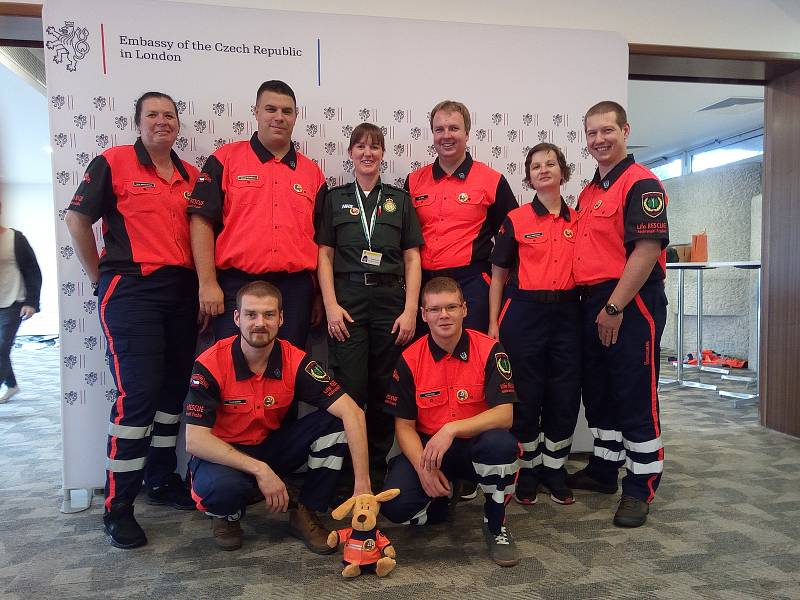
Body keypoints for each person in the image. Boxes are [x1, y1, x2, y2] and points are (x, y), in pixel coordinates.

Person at [65, 91, 199, 548]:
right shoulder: (113, 161)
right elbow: (77, 219)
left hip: (182, 292)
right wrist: (97, 277)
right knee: (137, 397)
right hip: (132, 289)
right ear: (138, 122)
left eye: (170, 115)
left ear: (179, 124)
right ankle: (118, 507)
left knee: (171, 394)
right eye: (153, 115)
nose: (162, 122)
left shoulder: (190, 176)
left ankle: (161, 481)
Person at [183, 281, 371, 552]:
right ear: (236, 318)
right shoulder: (210, 363)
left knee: (338, 421)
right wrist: (261, 470)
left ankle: (305, 510)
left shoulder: (296, 360)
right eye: (251, 315)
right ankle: (227, 515)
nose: (260, 323)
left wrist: (362, 486)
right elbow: (196, 440)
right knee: (222, 491)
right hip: (223, 455)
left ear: (281, 318)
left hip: (269, 447)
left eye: (269, 315)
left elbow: (352, 412)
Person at [567, 101, 669, 528]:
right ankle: (605, 468)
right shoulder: (592, 190)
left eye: (607, 131)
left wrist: (614, 306)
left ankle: (640, 486)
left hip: (629, 300)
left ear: (625, 130)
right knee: (601, 392)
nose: (599, 140)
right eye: (591, 133)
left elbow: (646, 251)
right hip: (593, 301)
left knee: (633, 394)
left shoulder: (640, 182)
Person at [380, 277, 521, 567]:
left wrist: (452, 428)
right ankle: (442, 501)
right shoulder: (409, 359)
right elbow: (404, 426)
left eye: (451, 307)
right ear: (423, 315)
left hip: (475, 447)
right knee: (395, 507)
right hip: (431, 450)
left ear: (464, 310)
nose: (443, 315)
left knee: (502, 445)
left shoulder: (491, 350)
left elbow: (505, 415)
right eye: (435, 309)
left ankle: (496, 525)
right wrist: (423, 469)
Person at [316, 123, 422, 479]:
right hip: (347, 301)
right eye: (360, 146)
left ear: (382, 154)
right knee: (349, 389)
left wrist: (410, 311)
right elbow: (325, 256)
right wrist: (330, 305)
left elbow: (412, 259)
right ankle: (346, 472)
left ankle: (375, 471)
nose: (367, 153)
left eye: (374, 147)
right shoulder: (334, 198)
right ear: (350, 153)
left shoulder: (400, 200)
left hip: (390, 302)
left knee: (383, 387)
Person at [188, 80, 327, 348]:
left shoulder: (313, 173)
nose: (279, 117)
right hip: (235, 285)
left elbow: (322, 241)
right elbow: (200, 220)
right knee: (232, 369)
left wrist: (319, 295)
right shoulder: (225, 159)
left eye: (287, 111)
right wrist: (206, 283)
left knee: (288, 370)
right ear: (256, 112)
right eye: (270, 109)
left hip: (295, 290)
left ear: (296, 116)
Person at [488, 143, 581, 506]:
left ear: (563, 172)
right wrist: (494, 322)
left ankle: (555, 468)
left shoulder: (579, 220)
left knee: (564, 392)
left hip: (568, 314)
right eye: (536, 166)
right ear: (528, 176)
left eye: (551, 164)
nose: (543, 170)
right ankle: (526, 470)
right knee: (525, 392)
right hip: (524, 314)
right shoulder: (516, 219)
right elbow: (497, 275)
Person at [405, 100, 518, 334]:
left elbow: (512, 239)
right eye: (439, 129)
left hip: (472, 285)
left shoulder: (491, 180)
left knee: (473, 356)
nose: (446, 135)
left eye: (454, 128)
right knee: (428, 360)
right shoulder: (414, 181)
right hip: (425, 286)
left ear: (467, 133)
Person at [0, 200, 42, 404]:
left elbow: (33, 270)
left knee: (1, 348)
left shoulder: (15, 238)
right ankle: (12, 384)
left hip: (13, 302)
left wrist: (32, 301)